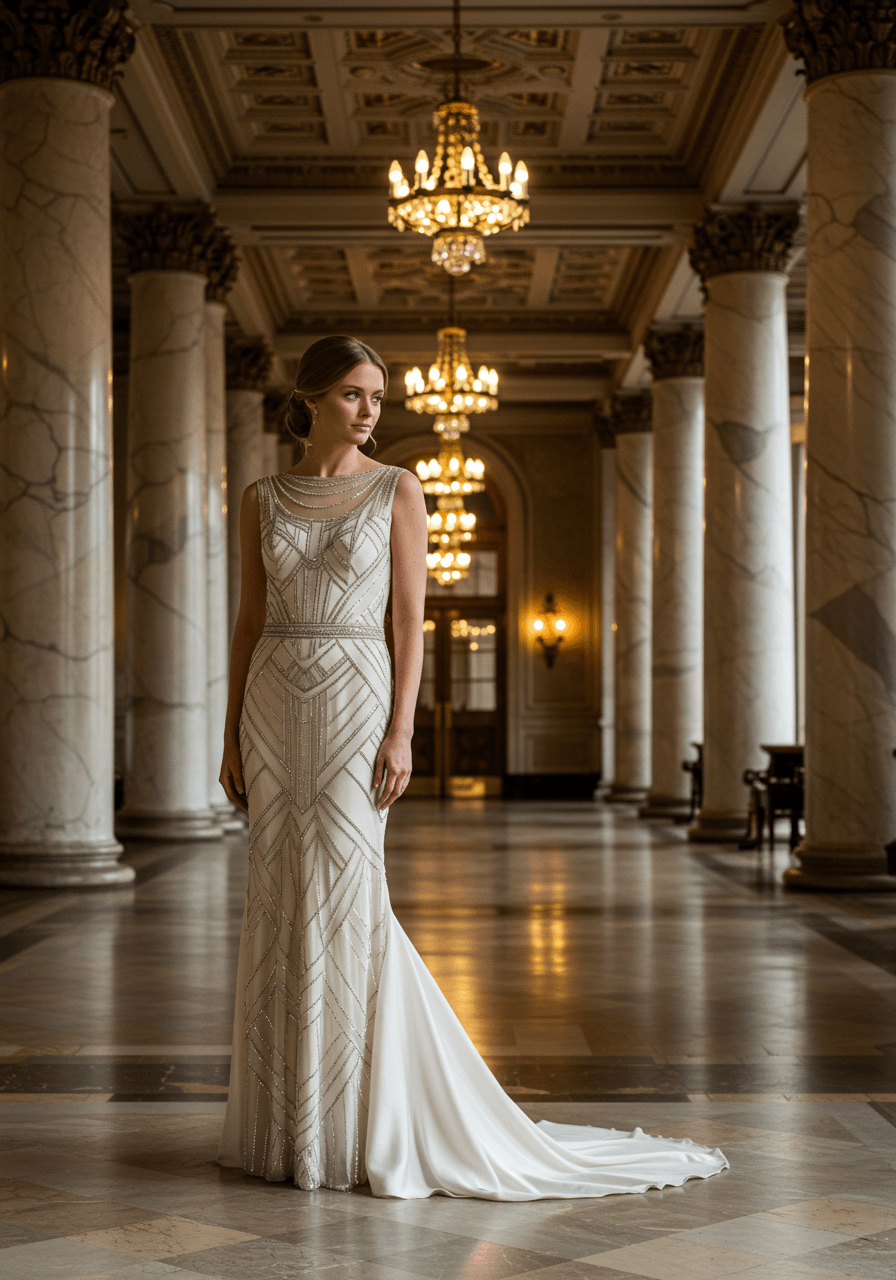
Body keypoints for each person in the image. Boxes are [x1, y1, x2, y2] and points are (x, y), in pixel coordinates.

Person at [216, 334, 728, 1199]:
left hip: (355, 700)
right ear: (309, 399)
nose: (369, 410)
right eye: (351, 394)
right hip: (271, 705)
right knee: (278, 891)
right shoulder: (260, 497)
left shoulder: (397, 488)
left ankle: (358, 1120)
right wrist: (231, 733)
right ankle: (284, 1123)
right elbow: (247, 620)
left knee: (348, 890)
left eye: (378, 396)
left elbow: (409, 621)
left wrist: (402, 730)